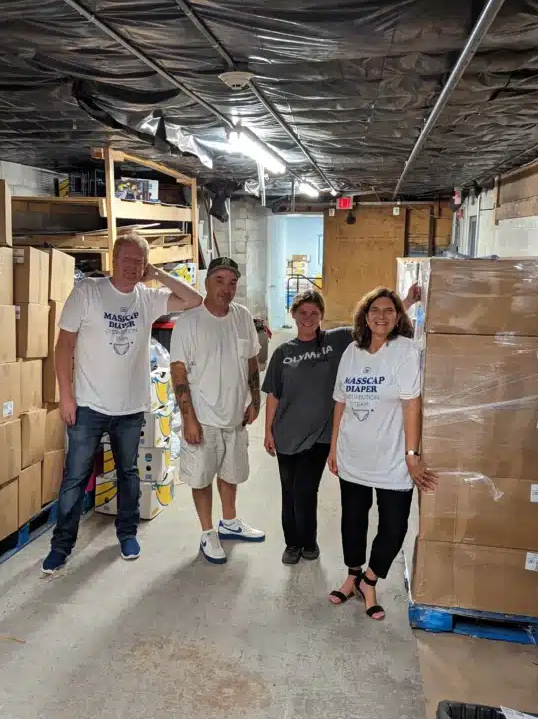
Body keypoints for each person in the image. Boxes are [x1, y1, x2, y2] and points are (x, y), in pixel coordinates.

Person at [42, 234, 202, 573]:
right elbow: (63, 346)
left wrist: (157, 272)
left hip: (130, 408)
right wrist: (65, 395)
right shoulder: (88, 292)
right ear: (114, 259)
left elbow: (194, 299)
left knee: (128, 474)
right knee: (75, 478)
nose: (133, 267)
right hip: (88, 406)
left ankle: (127, 534)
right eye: (127, 259)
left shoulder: (149, 297)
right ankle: (61, 546)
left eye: (139, 261)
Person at [326, 287, 437, 620]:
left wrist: (412, 454)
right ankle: (352, 575)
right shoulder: (351, 351)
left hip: (391, 458)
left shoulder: (404, 351)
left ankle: (370, 579)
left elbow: (411, 405)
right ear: (365, 314)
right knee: (353, 520)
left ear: (398, 316)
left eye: (390, 311)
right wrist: (333, 446)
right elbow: (340, 402)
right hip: (353, 454)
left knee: (394, 525)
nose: (382, 316)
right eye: (376, 309)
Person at [170, 256, 265, 564]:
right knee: (201, 478)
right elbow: (179, 373)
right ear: (207, 283)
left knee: (231, 471)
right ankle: (208, 531)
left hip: (235, 415)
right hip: (203, 417)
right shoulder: (188, 322)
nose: (227, 288)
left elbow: (251, 359)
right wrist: (189, 419)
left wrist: (255, 399)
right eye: (220, 281)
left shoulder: (242, 316)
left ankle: (229, 521)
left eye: (232, 282)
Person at [262, 290, 353, 565]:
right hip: (287, 433)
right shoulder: (282, 353)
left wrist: (406, 302)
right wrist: (267, 431)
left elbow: (371, 323)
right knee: (288, 490)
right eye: (303, 312)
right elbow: (273, 394)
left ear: (322, 316)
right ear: (293, 314)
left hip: (320, 436)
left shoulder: (335, 342)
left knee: (305, 489)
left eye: (314, 313)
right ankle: (292, 544)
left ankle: (308, 540)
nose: (308, 318)